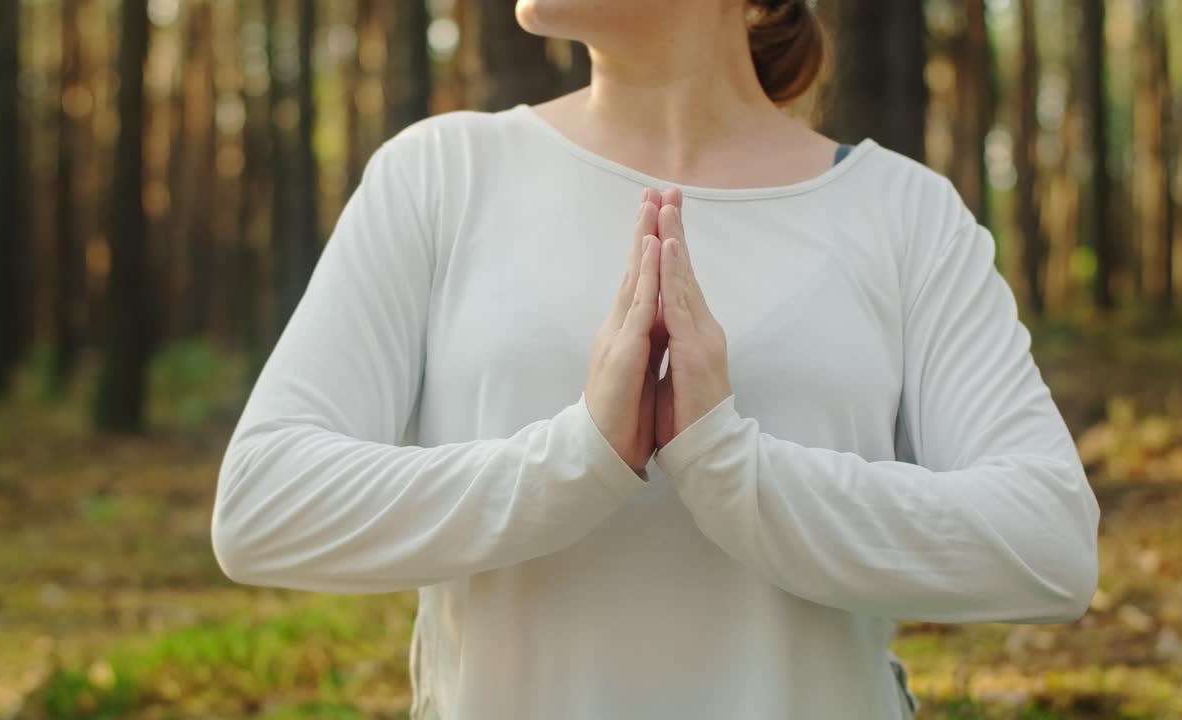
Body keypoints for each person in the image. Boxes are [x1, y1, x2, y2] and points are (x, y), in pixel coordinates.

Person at [210, 0, 1102, 718]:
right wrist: (579, 461)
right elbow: (264, 505)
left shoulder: (903, 213)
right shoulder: (440, 175)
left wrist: (732, 469)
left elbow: (1049, 547)